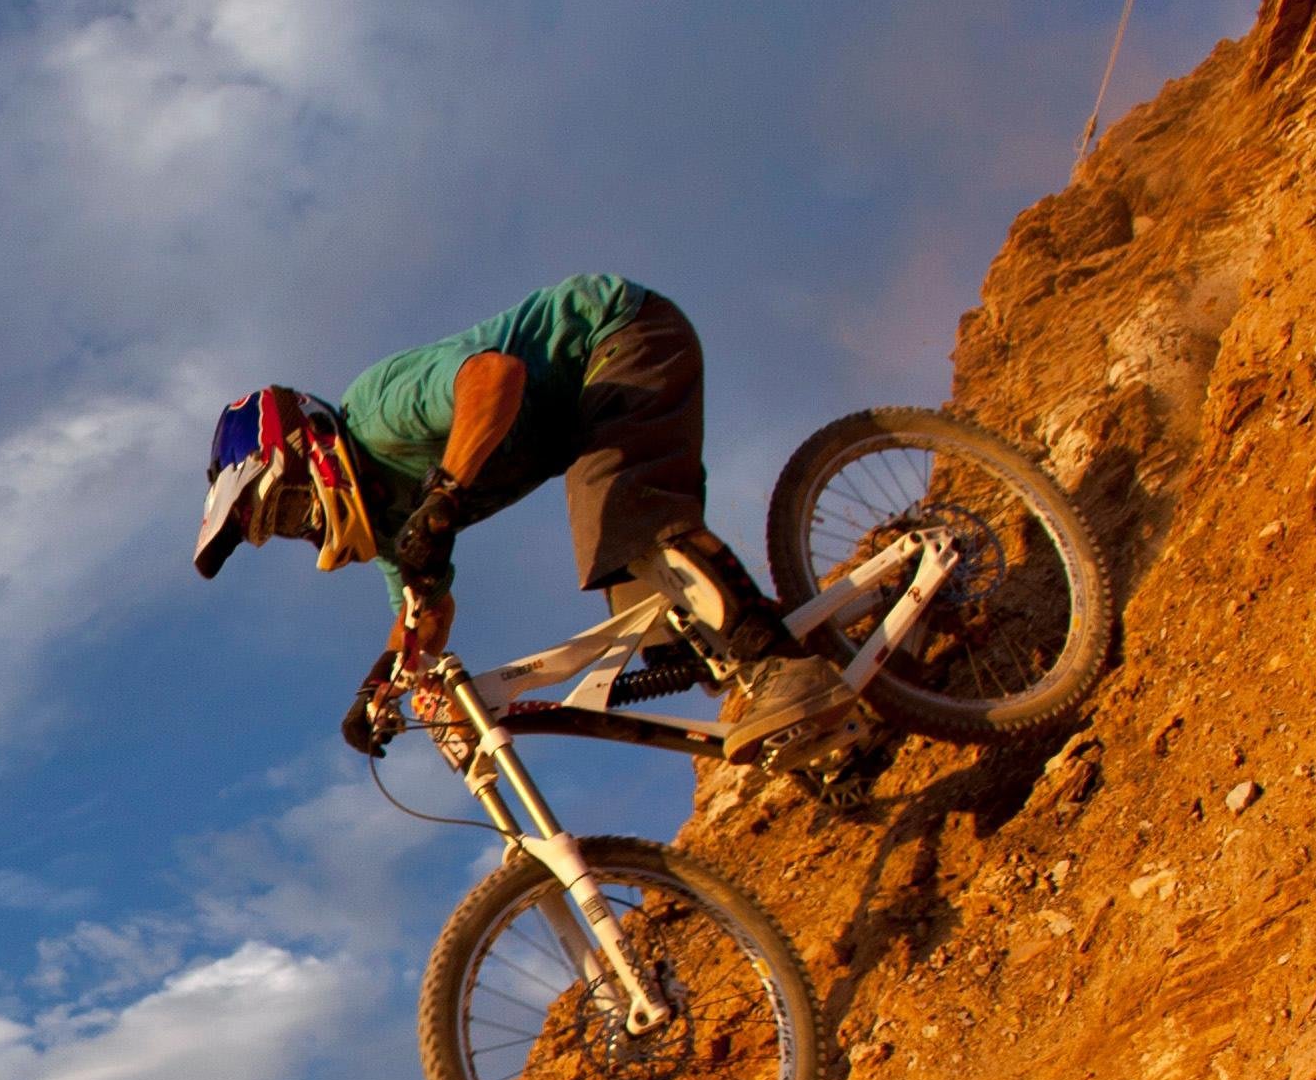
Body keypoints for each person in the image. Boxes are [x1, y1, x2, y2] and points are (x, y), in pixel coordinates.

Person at [189, 274, 854, 763]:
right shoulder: (393, 524)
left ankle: (787, 668)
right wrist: (376, 690)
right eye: (274, 530)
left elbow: (493, 379)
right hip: (586, 419)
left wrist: (444, 497)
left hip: (618, 336)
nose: (298, 528)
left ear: (312, 448)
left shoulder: (378, 411)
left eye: (283, 508)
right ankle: (840, 708)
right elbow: (424, 616)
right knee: (668, 632)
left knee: (622, 513)